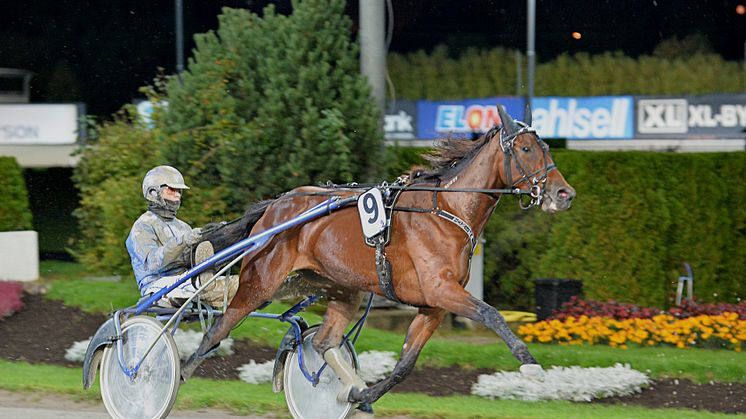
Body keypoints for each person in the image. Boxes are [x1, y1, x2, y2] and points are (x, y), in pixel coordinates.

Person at [125, 165, 238, 308]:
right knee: (205, 285)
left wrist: (221, 239)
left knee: (243, 283)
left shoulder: (183, 226)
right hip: (157, 286)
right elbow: (152, 263)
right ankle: (207, 289)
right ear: (153, 192)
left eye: (179, 191)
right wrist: (183, 240)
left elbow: (191, 260)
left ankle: (209, 286)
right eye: (172, 189)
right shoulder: (142, 226)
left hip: (186, 279)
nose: (177, 195)